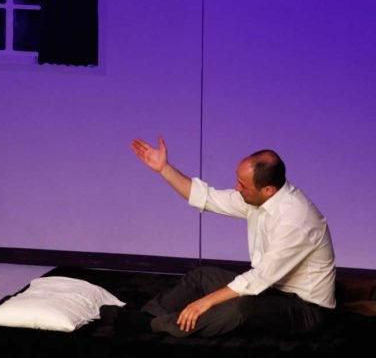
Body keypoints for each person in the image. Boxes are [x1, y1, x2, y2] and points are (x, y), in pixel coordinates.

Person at [129, 136, 336, 338]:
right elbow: (208, 198)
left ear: (268, 190)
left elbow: (260, 277)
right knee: (203, 276)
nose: (237, 188)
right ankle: (146, 315)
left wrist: (206, 301)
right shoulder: (260, 198)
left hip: (306, 309)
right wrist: (164, 169)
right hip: (272, 290)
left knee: (241, 309)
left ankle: (155, 326)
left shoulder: (296, 220)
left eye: (242, 185)